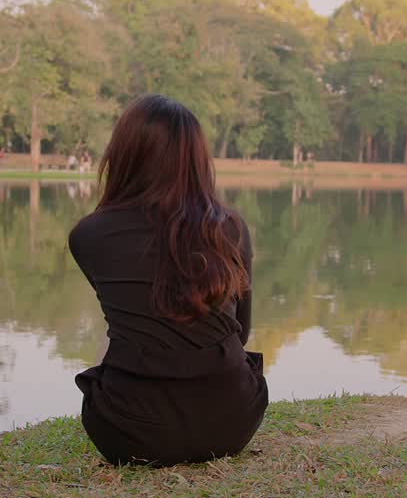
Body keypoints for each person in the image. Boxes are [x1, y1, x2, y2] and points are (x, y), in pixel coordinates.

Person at [68, 94, 267, 467]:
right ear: (196, 160)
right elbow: (240, 334)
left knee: (114, 329)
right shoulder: (231, 228)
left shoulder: (88, 236)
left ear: (123, 155)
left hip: (129, 431)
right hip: (231, 423)